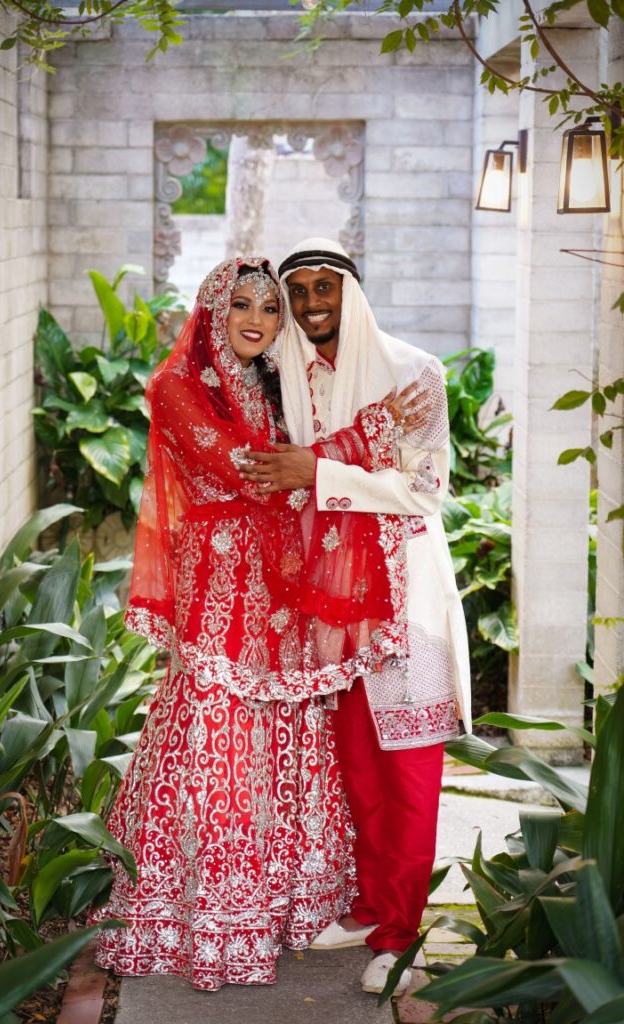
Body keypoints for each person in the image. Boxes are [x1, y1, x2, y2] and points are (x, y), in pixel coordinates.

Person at [90, 257, 360, 992]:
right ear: (213, 308)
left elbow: (299, 464)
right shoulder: (174, 387)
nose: (258, 319)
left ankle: (278, 903)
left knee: (287, 718)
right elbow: (241, 466)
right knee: (216, 717)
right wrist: (337, 454)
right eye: (241, 303)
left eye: (271, 310)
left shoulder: (279, 385)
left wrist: (320, 459)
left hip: (281, 576)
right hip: (216, 577)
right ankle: (201, 910)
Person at [239, 238, 472, 996]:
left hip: (405, 596)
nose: (310, 302)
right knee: (358, 771)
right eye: (296, 288)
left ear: (351, 291)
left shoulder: (413, 372)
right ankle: (373, 907)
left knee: (406, 770)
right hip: (332, 605)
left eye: (324, 287)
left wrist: (320, 471)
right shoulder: (288, 378)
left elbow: (423, 490)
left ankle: (401, 937)